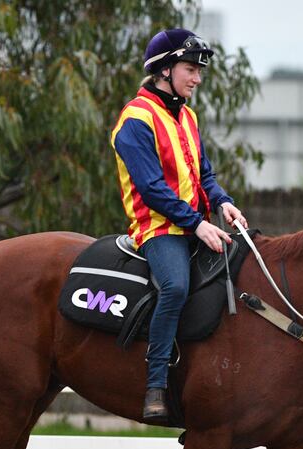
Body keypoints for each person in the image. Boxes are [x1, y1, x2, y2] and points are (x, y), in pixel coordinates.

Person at [110, 28, 247, 421]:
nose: (197, 79)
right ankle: (155, 385)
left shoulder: (186, 115)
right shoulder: (135, 120)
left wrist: (224, 202)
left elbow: (204, 174)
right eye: (190, 69)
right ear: (164, 70)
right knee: (175, 286)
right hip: (157, 229)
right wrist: (197, 225)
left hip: (194, 223)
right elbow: (152, 189)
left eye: (198, 71)